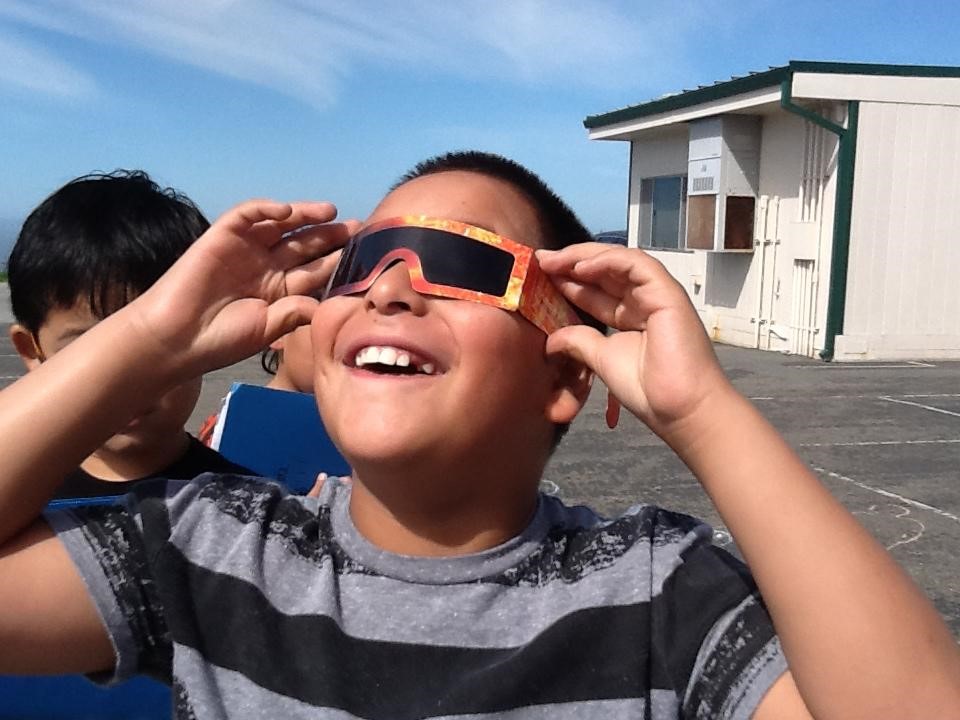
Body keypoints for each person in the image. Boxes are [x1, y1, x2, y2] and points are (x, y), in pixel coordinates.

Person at [0, 152, 957, 720]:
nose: (391, 283)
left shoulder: (660, 594)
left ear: (564, 372)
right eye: (363, 257)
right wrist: (152, 338)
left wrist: (708, 416)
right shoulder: (210, 548)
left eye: (460, 261)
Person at [6, 170, 251, 501]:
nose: (127, 376)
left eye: (161, 343)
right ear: (32, 350)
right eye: (90, 347)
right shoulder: (16, 500)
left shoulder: (250, 507)